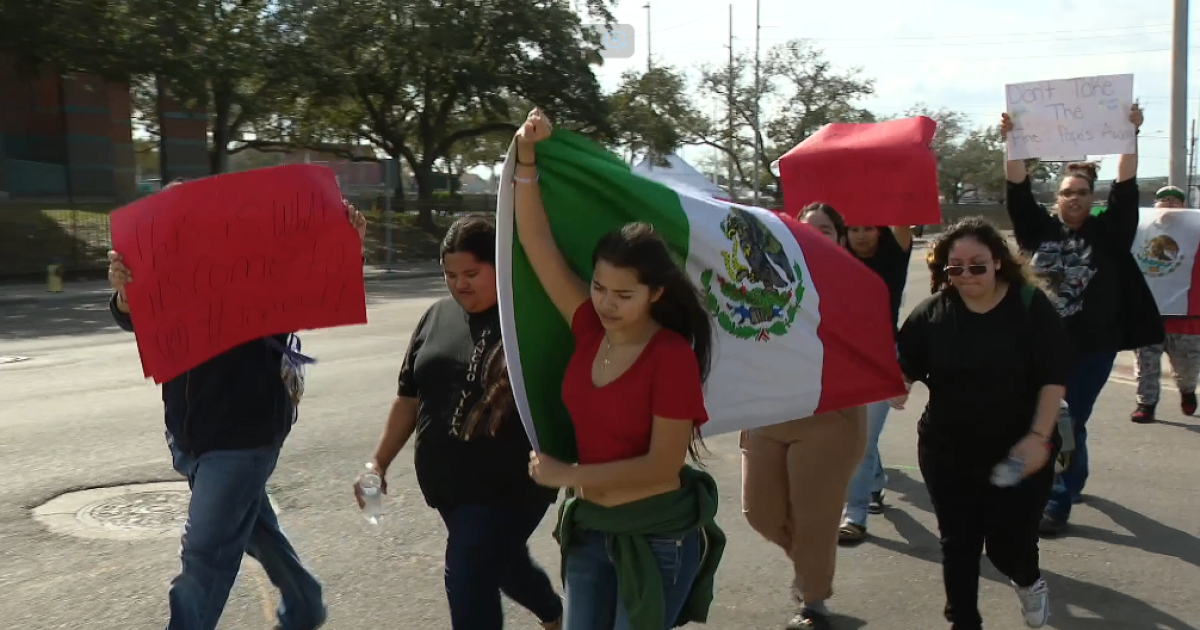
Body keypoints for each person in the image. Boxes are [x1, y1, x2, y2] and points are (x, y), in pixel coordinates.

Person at [104, 198, 367, 630]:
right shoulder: (171, 265)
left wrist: (345, 246)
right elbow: (138, 318)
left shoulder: (256, 267)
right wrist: (125, 294)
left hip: (244, 434)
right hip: (188, 433)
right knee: (253, 527)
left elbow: (316, 291)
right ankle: (305, 602)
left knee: (204, 552)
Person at [513, 108, 726, 630]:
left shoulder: (670, 356)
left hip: (657, 539)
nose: (607, 303)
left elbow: (660, 468)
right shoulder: (588, 327)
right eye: (599, 287)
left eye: (624, 294)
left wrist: (568, 475)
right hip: (590, 530)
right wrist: (524, 157)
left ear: (655, 294)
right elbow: (537, 245)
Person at [355, 216, 563, 630]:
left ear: (499, 266)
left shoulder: (529, 320)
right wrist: (377, 463)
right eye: (450, 274)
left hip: (512, 487)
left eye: (471, 273)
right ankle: (556, 614)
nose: (460, 284)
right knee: (502, 565)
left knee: (468, 571)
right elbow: (408, 398)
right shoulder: (436, 317)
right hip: (449, 490)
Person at [891, 218, 1069, 630]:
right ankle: (962, 621)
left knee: (1010, 545)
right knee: (959, 544)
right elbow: (904, 368)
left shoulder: (1029, 307)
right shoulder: (932, 313)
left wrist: (1039, 438)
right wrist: (896, 388)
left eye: (977, 265)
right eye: (956, 268)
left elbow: (1052, 378)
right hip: (947, 450)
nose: (966, 276)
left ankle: (1028, 580)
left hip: (1020, 450)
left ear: (998, 263)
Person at [1000, 105, 1163, 537]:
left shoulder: (1110, 232)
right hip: (1039, 347)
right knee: (1060, 420)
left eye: (1083, 193)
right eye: (1067, 192)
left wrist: (1131, 133)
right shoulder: (1037, 230)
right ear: (1056, 198)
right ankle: (1073, 478)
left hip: (1093, 347)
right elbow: (1016, 187)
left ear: (1093, 199)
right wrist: (1012, 140)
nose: (1074, 198)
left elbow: (1127, 186)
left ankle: (1055, 501)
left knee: (1065, 418)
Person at [738, 201, 868, 630]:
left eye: (826, 230)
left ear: (841, 238)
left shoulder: (854, 284)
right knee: (760, 512)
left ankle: (813, 601)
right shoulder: (762, 284)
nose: (815, 236)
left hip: (830, 415)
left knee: (815, 517)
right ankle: (813, 567)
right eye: (804, 229)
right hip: (769, 411)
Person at [839, 222, 914, 544]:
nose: (861, 234)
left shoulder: (893, 257)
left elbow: (902, 220)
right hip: (842, 356)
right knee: (860, 432)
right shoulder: (833, 255)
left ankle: (855, 514)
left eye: (868, 227)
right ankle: (875, 481)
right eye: (853, 227)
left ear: (880, 231)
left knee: (862, 439)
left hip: (882, 358)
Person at [1131, 185, 1200, 424]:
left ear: (1184, 206)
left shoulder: (1196, 230)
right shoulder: (1140, 229)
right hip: (1149, 312)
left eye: (1175, 200)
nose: (1168, 203)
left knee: (1187, 365)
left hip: (1185, 315)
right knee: (1146, 362)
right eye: (1163, 199)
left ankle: (1188, 390)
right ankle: (1146, 404)